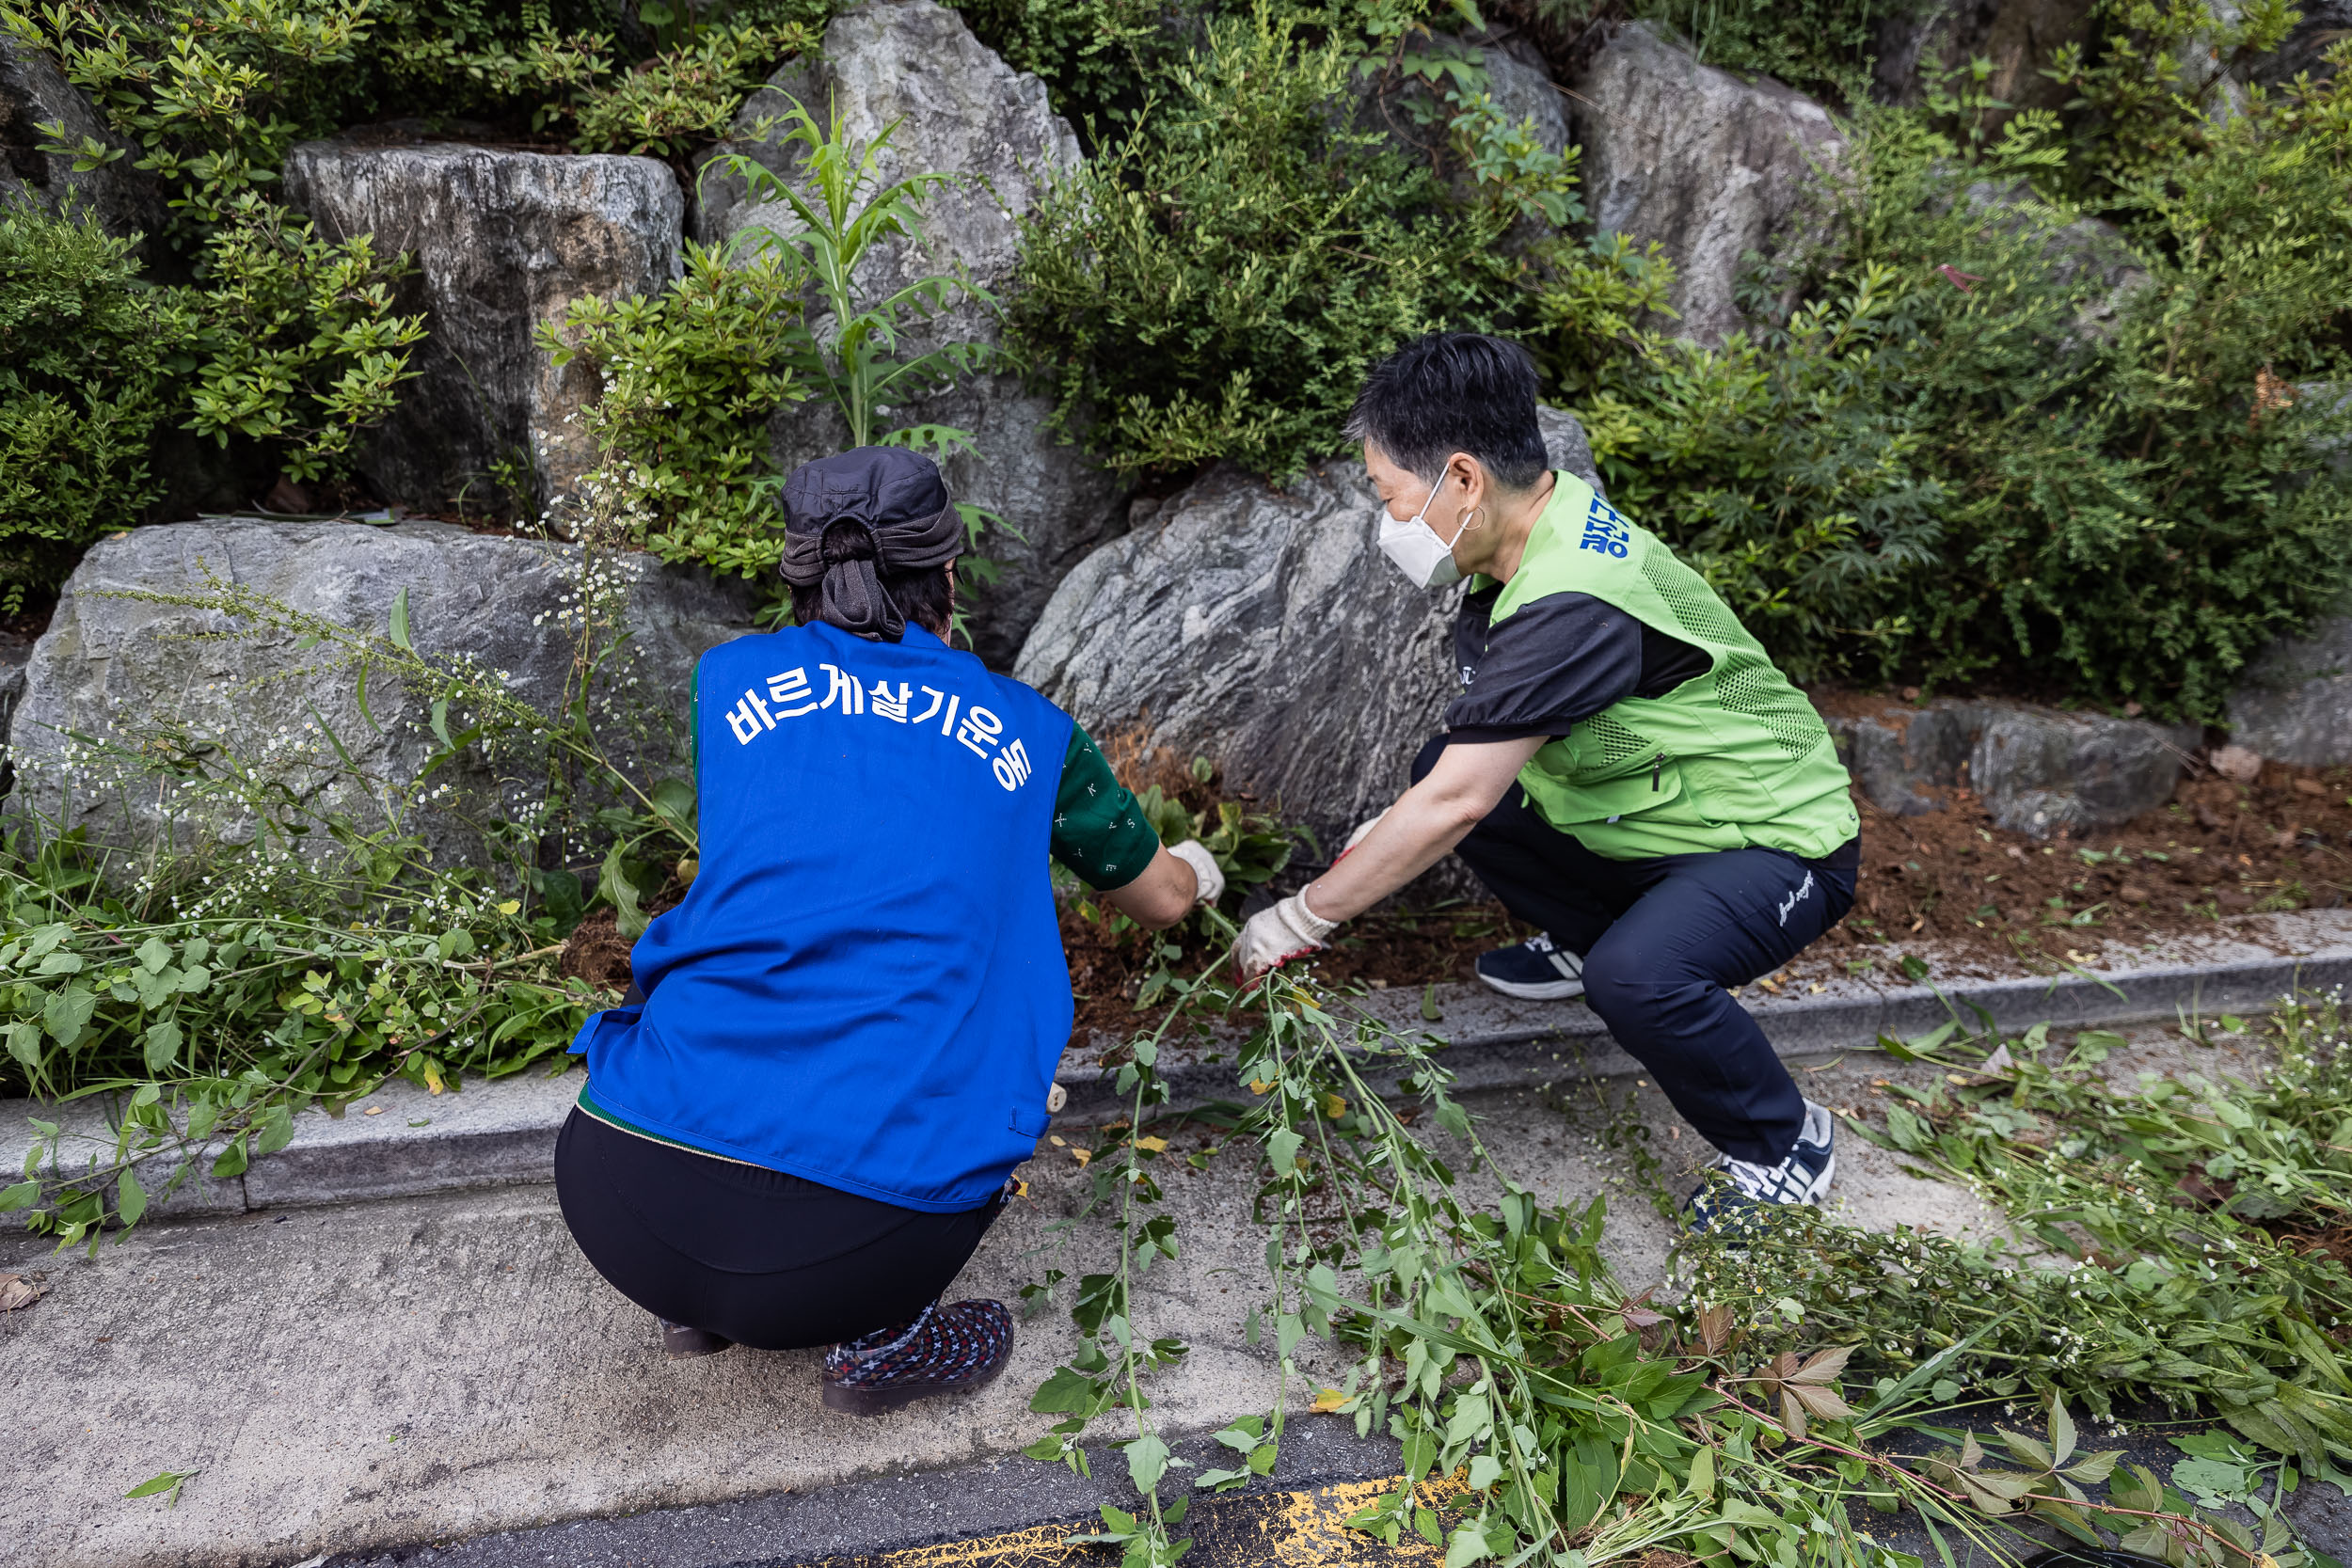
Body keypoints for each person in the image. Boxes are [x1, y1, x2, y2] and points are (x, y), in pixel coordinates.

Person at [555, 446, 1227, 1413]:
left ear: (797, 571)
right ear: (949, 573)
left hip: (614, 1192)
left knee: (720, 966)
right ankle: (883, 1337)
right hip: (853, 1249)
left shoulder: (728, 682)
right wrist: (1198, 871)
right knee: (1001, 1064)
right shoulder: (1030, 734)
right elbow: (1158, 895)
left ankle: (698, 1300)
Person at [1234, 332, 1862, 1229]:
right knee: (1433, 780)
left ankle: (1783, 1141)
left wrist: (1303, 916)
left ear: (1462, 480)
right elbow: (1458, 780)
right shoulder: (1537, 531)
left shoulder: (1573, 593)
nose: (1390, 522)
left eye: (1391, 496)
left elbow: (1459, 802)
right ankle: (1590, 933)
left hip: (1774, 840)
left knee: (1634, 976)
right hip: (1661, 822)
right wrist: (1397, 826)